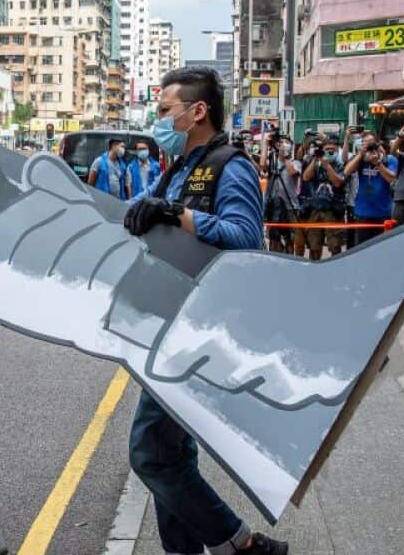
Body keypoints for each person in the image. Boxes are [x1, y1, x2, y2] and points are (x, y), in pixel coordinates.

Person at [121, 66, 287, 555]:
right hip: (172, 320)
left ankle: (242, 544)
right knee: (172, 455)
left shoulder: (230, 166)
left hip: (203, 329)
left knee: (150, 453)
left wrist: (176, 213)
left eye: (165, 112)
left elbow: (245, 238)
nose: (158, 122)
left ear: (198, 112)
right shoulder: (179, 169)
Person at [343, 132, 398, 246]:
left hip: (382, 213)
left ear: (377, 144)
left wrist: (378, 163)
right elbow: (346, 171)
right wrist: (360, 154)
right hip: (362, 212)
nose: (367, 146)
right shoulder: (360, 160)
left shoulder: (389, 159)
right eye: (364, 143)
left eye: (370, 143)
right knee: (361, 248)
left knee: (381, 248)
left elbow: (390, 178)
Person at [300, 134, 346, 260]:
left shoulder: (339, 162)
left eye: (333, 146)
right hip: (316, 208)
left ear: (337, 147)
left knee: (335, 246)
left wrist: (327, 165)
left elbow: (338, 182)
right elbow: (305, 177)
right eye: (327, 146)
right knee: (314, 245)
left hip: (333, 208)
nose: (330, 148)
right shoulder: (316, 162)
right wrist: (316, 159)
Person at [259, 132, 302, 253]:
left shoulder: (295, 162)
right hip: (273, 205)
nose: (283, 145)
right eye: (281, 142)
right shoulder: (273, 161)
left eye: (286, 142)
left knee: (290, 238)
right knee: (274, 239)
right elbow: (262, 165)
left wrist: (286, 155)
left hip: (290, 206)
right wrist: (266, 144)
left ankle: (289, 258)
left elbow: (292, 172)